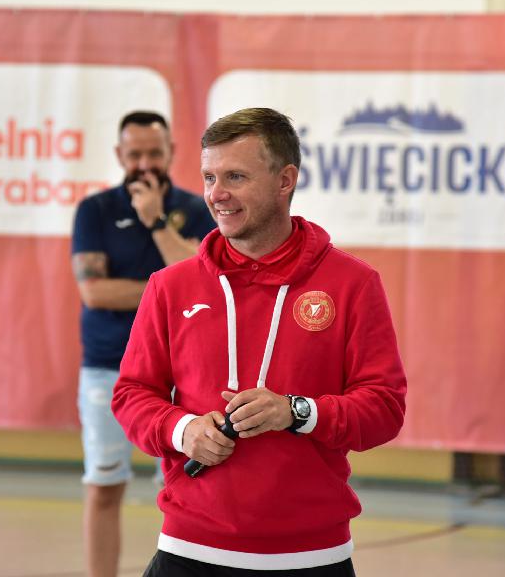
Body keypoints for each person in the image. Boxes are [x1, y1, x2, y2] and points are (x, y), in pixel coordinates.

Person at [111, 107, 407, 575]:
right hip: (190, 550)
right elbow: (132, 394)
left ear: (285, 180)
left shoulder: (353, 284)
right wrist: (182, 430)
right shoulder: (169, 286)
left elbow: (384, 408)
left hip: (313, 556)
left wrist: (296, 412)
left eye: (236, 176)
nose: (216, 194)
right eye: (209, 177)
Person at [71, 110, 215, 577]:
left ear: (172, 152)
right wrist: (166, 290)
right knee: (103, 484)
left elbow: (204, 283)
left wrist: (156, 222)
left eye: (155, 153)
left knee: (184, 490)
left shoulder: (199, 209)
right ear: (119, 155)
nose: (146, 164)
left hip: (183, 372)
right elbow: (95, 292)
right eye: (135, 154)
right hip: (108, 368)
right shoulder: (95, 211)